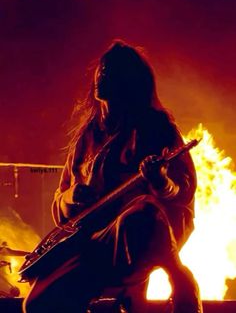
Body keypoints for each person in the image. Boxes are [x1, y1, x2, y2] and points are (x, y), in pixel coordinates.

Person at [23, 41, 202, 313]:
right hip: (93, 243)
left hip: (142, 235)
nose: (103, 75)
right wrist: (73, 196)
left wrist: (160, 181)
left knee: (141, 214)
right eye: (102, 69)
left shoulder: (155, 127)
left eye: (112, 71)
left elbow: (182, 193)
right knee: (38, 304)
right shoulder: (86, 138)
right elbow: (61, 210)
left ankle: (176, 276)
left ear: (129, 82)